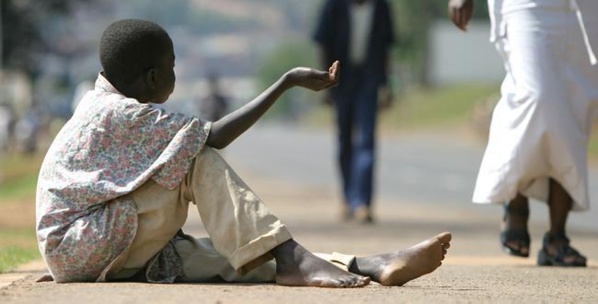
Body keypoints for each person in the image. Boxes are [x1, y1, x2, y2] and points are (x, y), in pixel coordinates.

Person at [36, 19, 452, 286]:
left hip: (95, 247)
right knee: (197, 158)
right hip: (86, 243)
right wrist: (285, 82)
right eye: (173, 65)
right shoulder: (121, 112)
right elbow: (213, 137)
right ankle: (297, 263)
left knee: (240, 255)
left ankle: (368, 263)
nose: (175, 74)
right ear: (151, 77)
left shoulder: (103, 103)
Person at [448, 0, 598, 266]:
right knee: (534, 95)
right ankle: (515, 196)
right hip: (528, 6)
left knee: (575, 105)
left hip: (583, 9)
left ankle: (557, 237)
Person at [313, 0, 395, 224]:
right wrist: (325, 83)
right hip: (341, 81)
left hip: (370, 80)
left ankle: (363, 203)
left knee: (367, 141)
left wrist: (387, 86)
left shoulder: (380, 7)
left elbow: (386, 46)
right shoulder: (334, 6)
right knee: (344, 141)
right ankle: (348, 198)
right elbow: (322, 42)